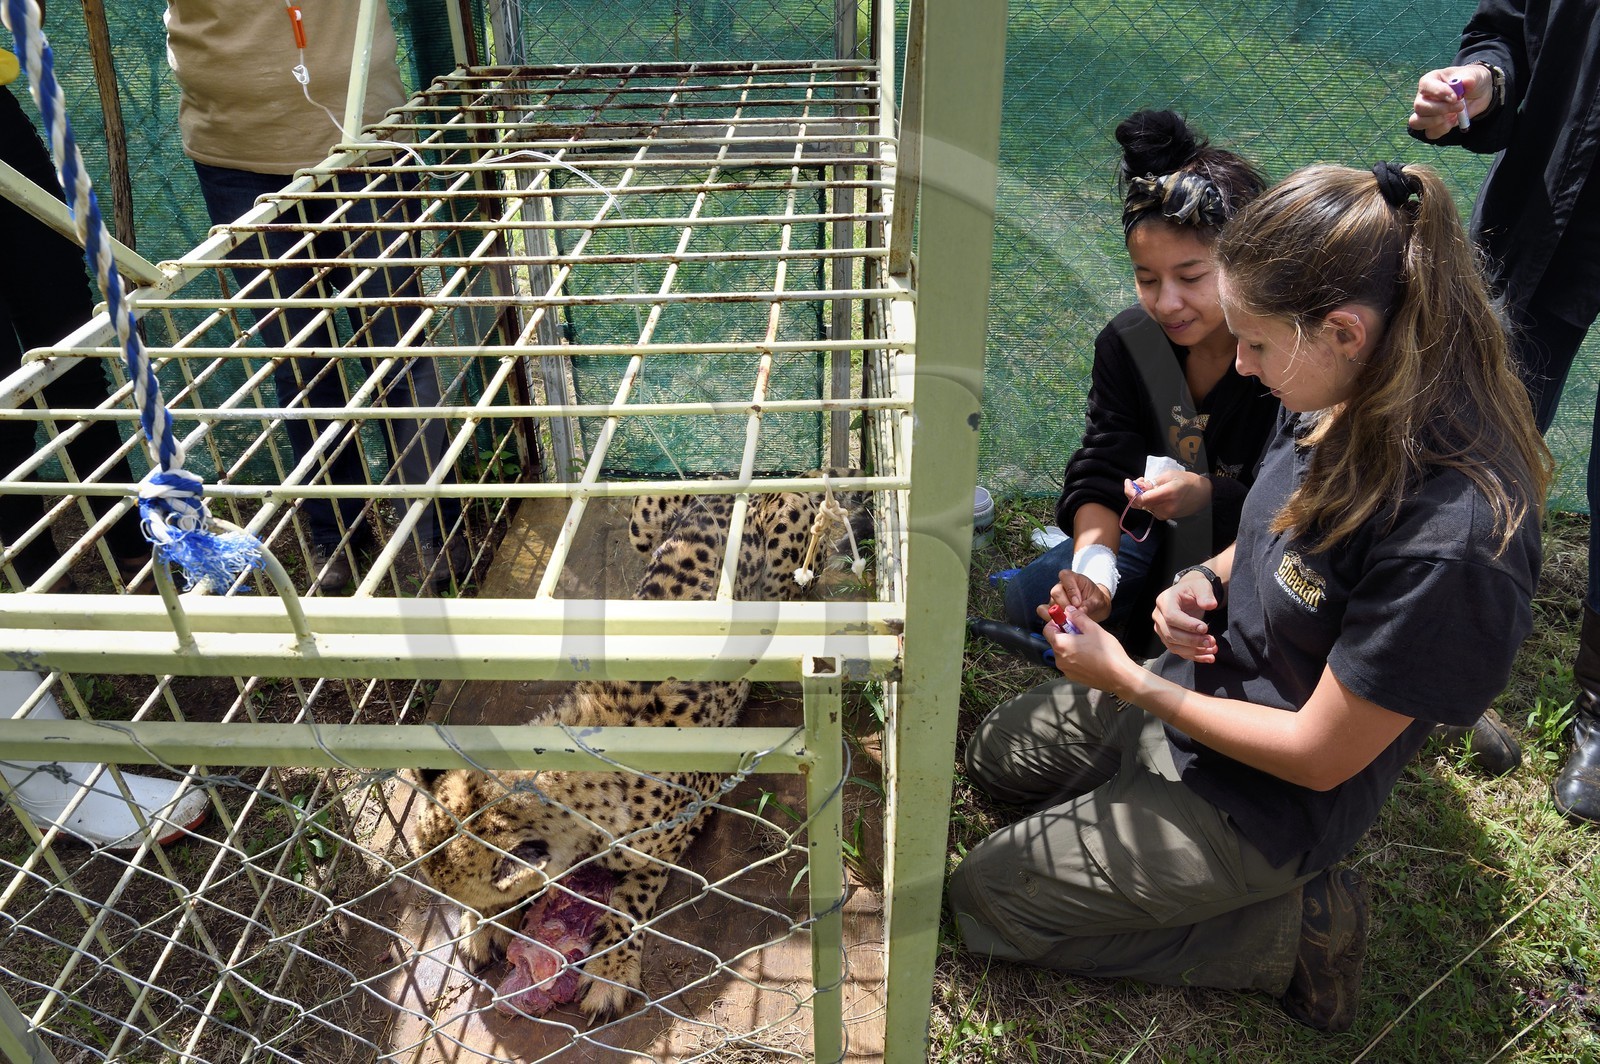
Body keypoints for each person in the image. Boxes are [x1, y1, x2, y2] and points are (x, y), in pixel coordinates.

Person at [948, 162, 1551, 1033]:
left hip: (1269, 798)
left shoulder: (1457, 536)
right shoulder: (1336, 385)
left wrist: (1130, 683)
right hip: (1202, 687)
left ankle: (1290, 932)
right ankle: (1136, 788)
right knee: (997, 756)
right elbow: (1272, 523)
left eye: (1256, 344)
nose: (1239, 363)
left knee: (990, 900)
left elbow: (1317, 755)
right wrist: (1203, 579)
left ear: (1344, 330)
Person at [164, 0, 463, 593]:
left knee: (400, 347)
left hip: (368, 142)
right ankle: (337, 539)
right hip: (236, 155)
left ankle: (438, 533)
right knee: (298, 361)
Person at [991, 110, 1279, 660]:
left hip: (1253, 551)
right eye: (1147, 279)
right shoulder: (1131, 343)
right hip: (1150, 532)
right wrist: (1096, 574)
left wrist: (1207, 498)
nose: (1166, 303)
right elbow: (1104, 462)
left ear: (1247, 261)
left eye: (1191, 278)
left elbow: (1297, 508)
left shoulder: (1288, 358)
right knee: (1029, 600)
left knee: (1183, 649)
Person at [1407, 0, 1600, 815]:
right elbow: (1509, 28)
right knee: (1471, 436)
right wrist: (1484, 83)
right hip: (1552, 203)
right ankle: (1420, 660)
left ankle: (1597, 712)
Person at [0, 77, 147, 591]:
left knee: (72, 354)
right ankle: (40, 578)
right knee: (1, 405)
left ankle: (133, 546)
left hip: (4, 138)